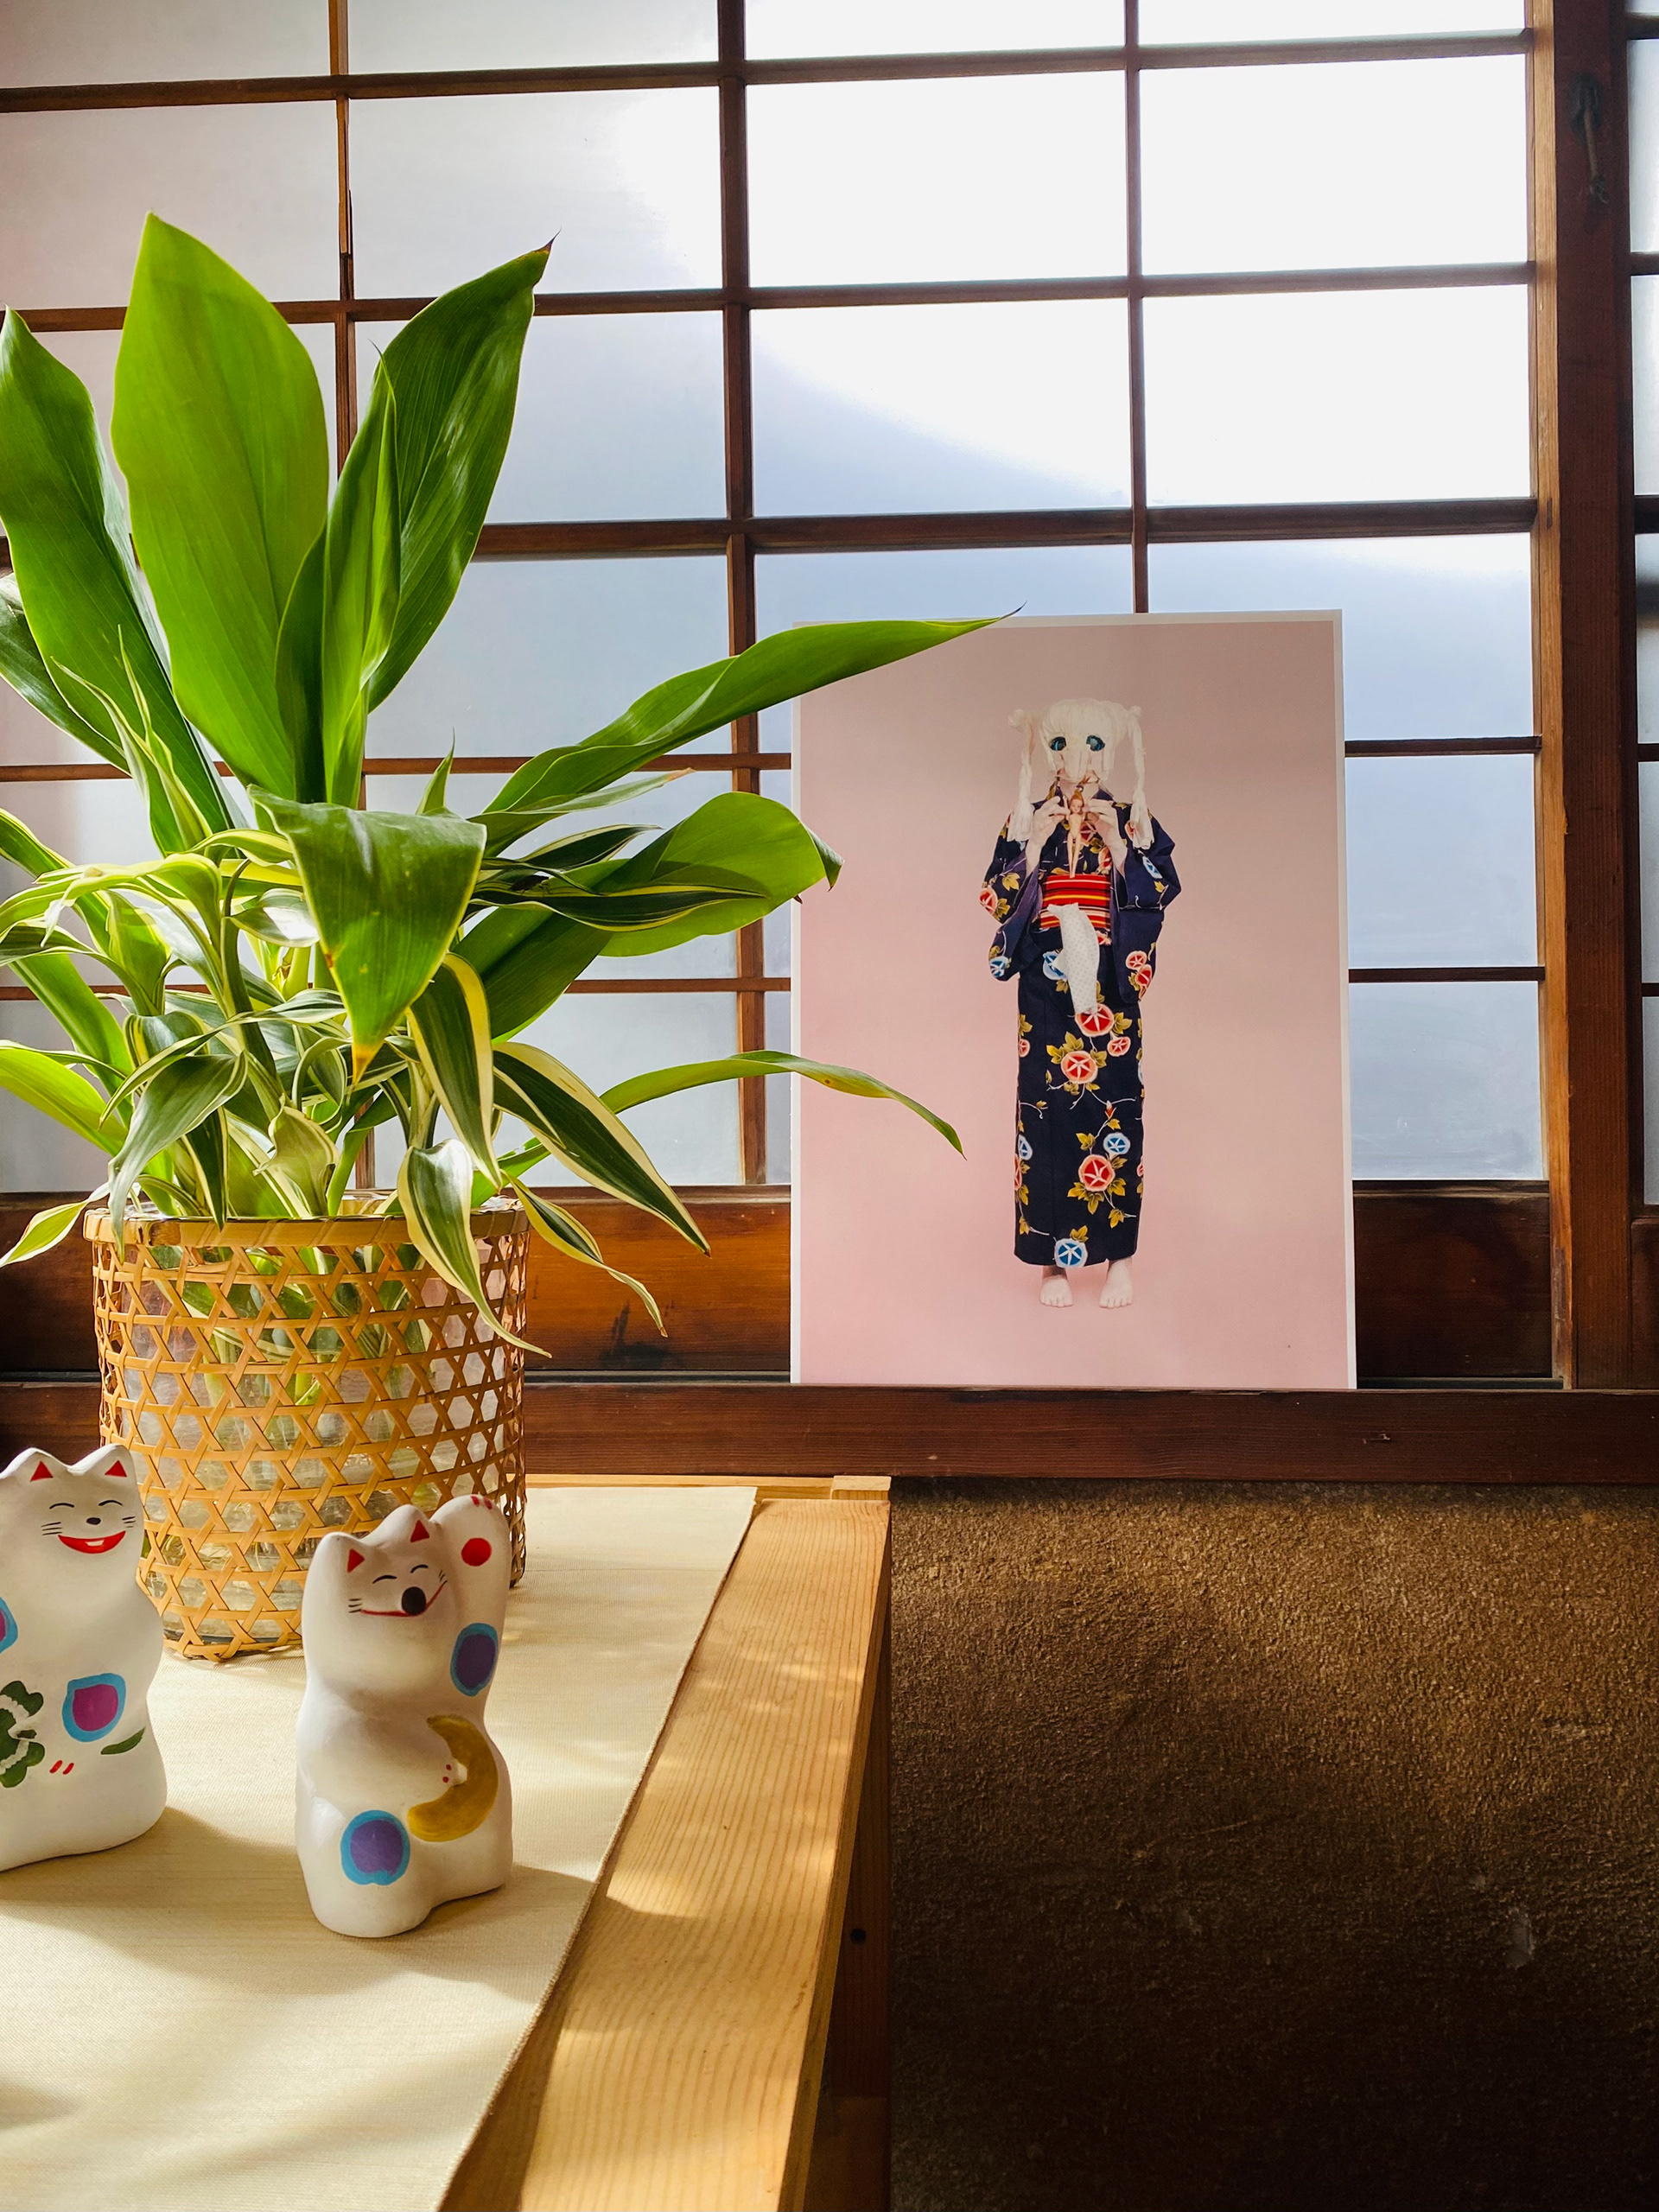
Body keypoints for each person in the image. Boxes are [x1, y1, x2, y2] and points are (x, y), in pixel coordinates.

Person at [981, 698, 1179, 1309]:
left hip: (1109, 988)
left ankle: (1119, 1259)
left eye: (1093, 744)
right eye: (1062, 745)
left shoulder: (1132, 818)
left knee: (1117, 1115)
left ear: (1109, 751)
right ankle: (1051, 1266)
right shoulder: (1027, 818)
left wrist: (1118, 844)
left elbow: (1160, 889)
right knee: (1043, 1120)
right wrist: (1034, 848)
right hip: (1046, 984)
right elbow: (995, 897)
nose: (1078, 759)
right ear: (1049, 754)